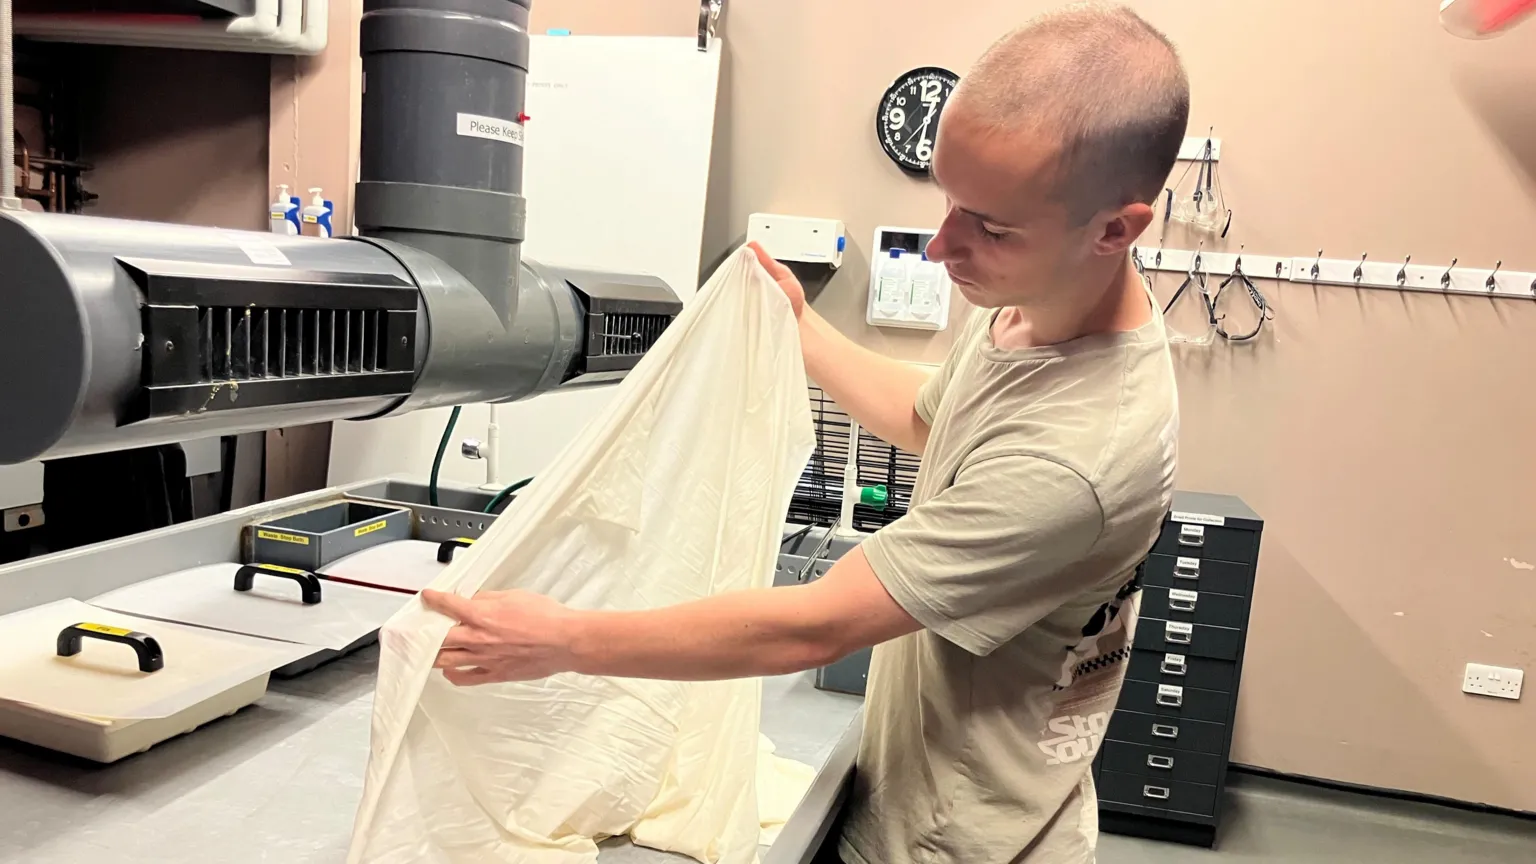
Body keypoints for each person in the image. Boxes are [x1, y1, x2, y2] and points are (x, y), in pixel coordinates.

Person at [420, 3, 1186, 861]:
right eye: (950, 204)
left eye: (989, 228)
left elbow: (813, 627)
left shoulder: (1076, 460)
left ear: (1115, 229)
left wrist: (566, 640)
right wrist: (801, 327)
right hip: (922, 780)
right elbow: (934, 417)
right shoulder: (1042, 300)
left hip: (955, 836)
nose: (940, 247)